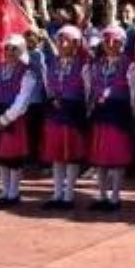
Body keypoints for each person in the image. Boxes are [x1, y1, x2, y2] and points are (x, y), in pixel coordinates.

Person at [89, 25, 135, 211]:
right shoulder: (96, 65)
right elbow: (90, 89)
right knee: (100, 159)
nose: (111, 45)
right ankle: (102, 195)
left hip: (119, 115)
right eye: (107, 41)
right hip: (101, 115)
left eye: (116, 41)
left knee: (117, 158)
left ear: (122, 43)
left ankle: (115, 197)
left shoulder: (129, 65)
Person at [41, 26, 92, 210]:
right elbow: (48, 85)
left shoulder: (83, 65)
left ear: (75, 44)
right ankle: (56, 193)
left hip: (74, 112)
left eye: (66, 40)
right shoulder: (52, 63)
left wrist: (85, 110)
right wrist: (52, 98)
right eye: (59, 40)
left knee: (71, 156)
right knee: (56, 156)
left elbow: (88, 90)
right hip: (56, 112)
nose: (62, 44)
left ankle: (68, 194)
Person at [0, 34, 36, 207]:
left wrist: (5, 119)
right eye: (7, 48)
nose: (10, 52)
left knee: (14, 159)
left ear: (22, 51)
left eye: (14, 49)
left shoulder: (27, 72)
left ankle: (14, 193)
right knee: (1, 157)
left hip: (14, 118)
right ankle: (5, 191)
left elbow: (23, 99)